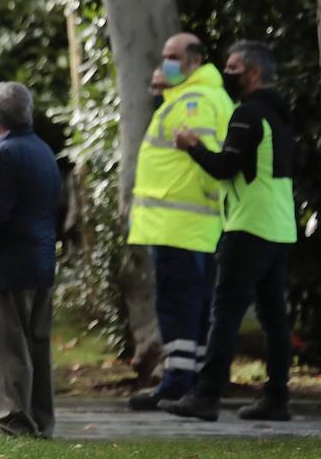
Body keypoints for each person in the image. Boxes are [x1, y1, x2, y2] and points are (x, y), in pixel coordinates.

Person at [164, 41, 297, 422]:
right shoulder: (279, 114)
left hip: (248, 226)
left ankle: (206, 395)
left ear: (253, 73)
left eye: (234, 66)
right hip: (279, 226)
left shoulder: (249, 115)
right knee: (274, 317)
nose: (228, 71)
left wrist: (192, 145)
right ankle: (277, 396)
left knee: (224, 313)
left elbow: (224, 167)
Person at [125, 33, 233, 411]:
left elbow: (201, 162)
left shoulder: (194, 102)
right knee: (195, 304)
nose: (164, 62)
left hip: (177, 224)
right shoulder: (202, 96)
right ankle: (191, 377)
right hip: (190, 225)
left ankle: (177, 380)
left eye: (172, 56)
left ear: (193, 61)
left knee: (178, 304)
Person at [0, 82, 59, 439]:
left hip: (7, 267)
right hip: (40, 263)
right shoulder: (43, 151)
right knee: (37, 349)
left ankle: (16, 423)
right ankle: (41, 420)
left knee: (7, 351)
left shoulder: (4, 154)